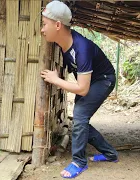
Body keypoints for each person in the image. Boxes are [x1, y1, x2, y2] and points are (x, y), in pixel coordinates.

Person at [40, 1, 118, 178]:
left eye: (45, 24)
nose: (42, 30)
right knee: (80, 121)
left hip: (104, 80)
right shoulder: (64, 43)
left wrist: (56, 80)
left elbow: (82, 89)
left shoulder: (81, 48)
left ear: (58, 25)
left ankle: (79, 162)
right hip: (92, 81)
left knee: (81, 114)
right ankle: (110, 154)